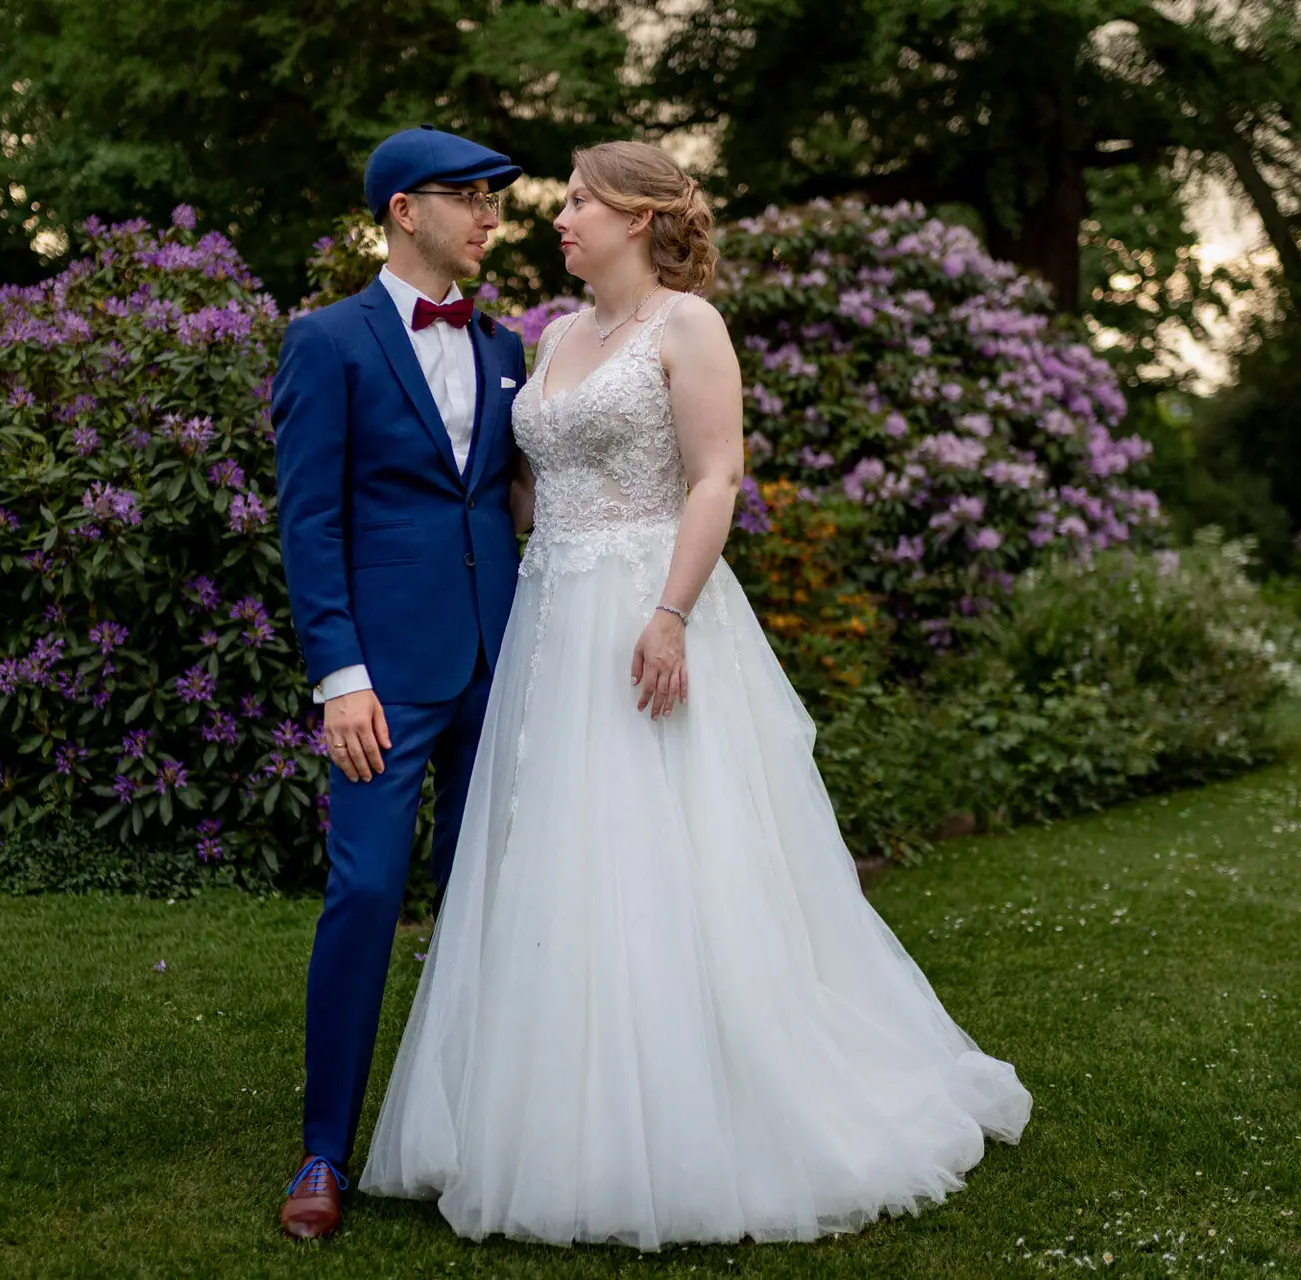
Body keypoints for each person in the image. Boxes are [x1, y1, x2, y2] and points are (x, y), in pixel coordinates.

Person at [356, 140, 1033, 1249]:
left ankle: (703, 1113)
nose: (557, 216)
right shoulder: (551, 338)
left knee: (669, 853)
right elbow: (520, 485)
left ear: (638, 215)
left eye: (578, 201)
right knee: (560, 859)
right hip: (551, 620)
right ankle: (542, 1112)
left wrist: (670, 611)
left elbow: (717, 473)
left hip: (647, 608)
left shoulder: (689, 326)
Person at [271, 124, 527, 1240]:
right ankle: (324, 1149)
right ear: (403, 210)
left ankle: (473, 1129)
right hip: (382, 678)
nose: (488, 216)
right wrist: (339, 674)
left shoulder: (513, 344)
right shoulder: (325, 343)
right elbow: (309, 522)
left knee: (488, 901)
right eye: (466, 197)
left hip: (505, 657)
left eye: (494, 199)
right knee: (368, 890)